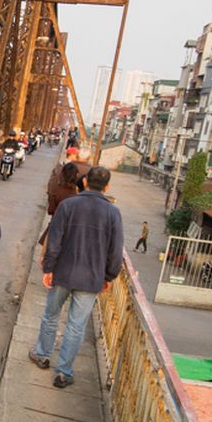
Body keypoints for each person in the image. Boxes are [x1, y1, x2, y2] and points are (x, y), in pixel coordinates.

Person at [31, 165, 124, 388]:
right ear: (107, 186)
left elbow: (54, 241)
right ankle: (64, 372)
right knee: (75, 326)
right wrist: (108, 276)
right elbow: (115, 250)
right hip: (91, 279)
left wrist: (48, 269)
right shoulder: (113, 213)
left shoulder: (68, 205)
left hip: (63, 272)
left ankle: (42, 355)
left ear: (84, 182)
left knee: (51, 315)